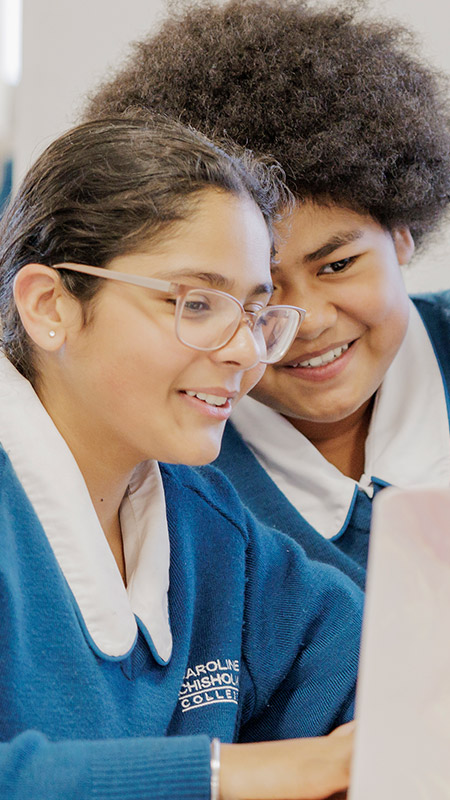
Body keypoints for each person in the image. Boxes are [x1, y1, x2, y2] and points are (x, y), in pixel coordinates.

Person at [0, 111, 361, 799]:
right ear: (50, 306)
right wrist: (223, 775)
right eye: (197, 304)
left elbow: (393, 676)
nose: (245, 350)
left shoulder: (213, 532)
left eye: (257, 313)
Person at [84, 0, 450, 591]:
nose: (305, 322)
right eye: (260, 289)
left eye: (337, 264)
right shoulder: (173, 467)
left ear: (403, 231)